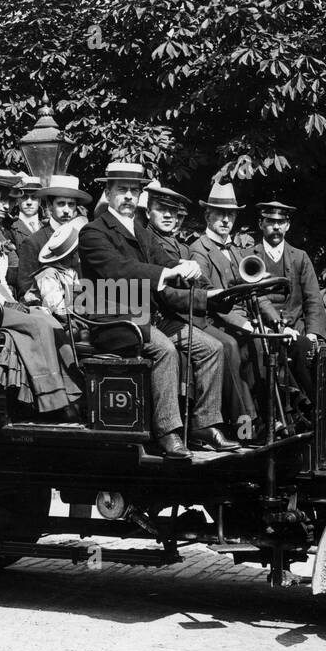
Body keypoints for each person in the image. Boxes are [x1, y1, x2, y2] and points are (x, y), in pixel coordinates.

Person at [78, 162, 235, 458]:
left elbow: (165, 261)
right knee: (165, 350)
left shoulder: (141, 232)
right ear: (108, 193)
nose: (128, 196)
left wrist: (191, 273)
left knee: (212, 348)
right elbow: (119, 269)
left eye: (134, 190)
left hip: (148, 319)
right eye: (122, 190)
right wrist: (168, 273)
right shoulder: (92, 232)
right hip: (114, 321)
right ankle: (167, 431)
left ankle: (205, 424)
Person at [0, 170, 83, 418]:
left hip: (0, 302)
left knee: (49, 320)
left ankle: (74, 390)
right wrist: (7, 304)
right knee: (37, 325)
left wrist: (13, 302)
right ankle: (52, 399)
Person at [145, 182, 252, 438]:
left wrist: (218, 293)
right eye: (161, 209)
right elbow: (167, 295)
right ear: (148, 211)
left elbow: (201, 283)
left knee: (253, 344)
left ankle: (258, 422)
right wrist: (208, 298)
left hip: (193, 316)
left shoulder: (180, 247)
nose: (169, 216)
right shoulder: (148, 243)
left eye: (173, 211)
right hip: (171, 319)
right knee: (225, 345)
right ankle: (242, 428)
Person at [189, 182, 287, 420]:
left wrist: (277, 322)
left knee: (268, 346)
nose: (226, 220)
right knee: (235, 346)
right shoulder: (198, 250)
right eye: (220, 214)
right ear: (207, 215)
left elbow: (255, 291)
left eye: (231, 215)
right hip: (214, 321)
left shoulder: (236, 250)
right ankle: (245, 421)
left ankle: (273, 417)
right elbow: (210, 298)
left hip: (241, 321)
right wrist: (244, 325)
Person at [255, 199, 326, 401]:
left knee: (310, 350)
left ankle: (314, 407)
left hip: (297, 327)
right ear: (261, 224)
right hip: (263, 329)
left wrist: (313, 333)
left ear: (287, 225)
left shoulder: (300, 257)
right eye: (270, 221)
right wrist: (277, 327)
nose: (276, 226)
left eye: (281, 222)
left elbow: (313, 298)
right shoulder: (248, 256)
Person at [17, 174, 89, 301]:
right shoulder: (33, 242)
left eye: (71, 204)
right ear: (49, 206)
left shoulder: (84, 238)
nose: (66, 210)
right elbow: (25, 288)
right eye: (61, 204)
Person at [10, 176, 43, 250]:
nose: (29, 202)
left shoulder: (46, 227)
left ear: (39, 201)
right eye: (24, 197)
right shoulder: (10, 228)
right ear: (17, 200)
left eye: (34, 197)